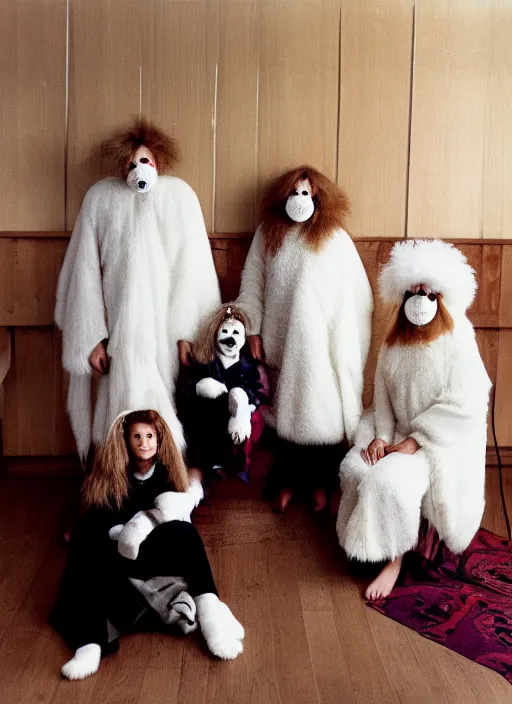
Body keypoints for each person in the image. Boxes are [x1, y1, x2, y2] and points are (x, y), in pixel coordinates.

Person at [54, 118, 220, 462]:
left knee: (168, 406)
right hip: (120, 332)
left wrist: (188, 333)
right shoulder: (100, 198)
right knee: (120, 404)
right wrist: (91, 337)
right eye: (131, 163)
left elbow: (193, 270)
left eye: (145, 161)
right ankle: (115, 476)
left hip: (164, 331)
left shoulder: (180, 198)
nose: (139, 168)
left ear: (157, 161)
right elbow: (84, 272)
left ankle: (165, 475)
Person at [336, 240, 491, 600]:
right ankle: (361, 545)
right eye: (413, 293)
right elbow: (383, 400)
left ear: (440, 297)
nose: (420, 302)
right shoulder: (394, 345)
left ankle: (395, 558)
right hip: (399, 433)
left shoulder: (457, 340)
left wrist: (416, 441)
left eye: (428, 294)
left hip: (438, 441)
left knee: (389, 482)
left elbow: (467, 401)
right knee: (355, 468)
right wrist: (380, 437)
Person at [52, 409, 244, 680]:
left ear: (159, 439)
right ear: (126, 442)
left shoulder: (167, 473)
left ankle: (210, 608)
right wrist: (120, 533)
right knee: (86, 540)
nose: (144, 443)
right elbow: (99, 522)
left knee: (185, 531)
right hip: (118, 554)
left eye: (150, 436)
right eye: (137, 436)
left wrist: (176, 504)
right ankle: (90, 643)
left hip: (154, 551)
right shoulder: (114, 476)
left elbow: (198, 475)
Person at [237, 166, 373, 512]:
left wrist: (343, 342)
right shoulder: (268, 234)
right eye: (293, 193)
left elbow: (355, 294)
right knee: (284, 416)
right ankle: (285, 482)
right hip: (281, 341)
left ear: (318, 198)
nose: (299, 199)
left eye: (306, 193)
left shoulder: (334, 237)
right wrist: (251, 327)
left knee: (322, 420)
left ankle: (321, 484)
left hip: (322, 347)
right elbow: (252, 283)